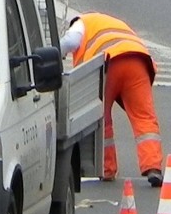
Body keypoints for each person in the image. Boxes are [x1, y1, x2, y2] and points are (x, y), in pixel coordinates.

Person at [60, 11, 164, 187]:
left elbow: (70, 41)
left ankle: (107, 168)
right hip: (138, 62)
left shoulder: (81, 23)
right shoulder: (111, 23)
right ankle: (153, 167)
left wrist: (57, 52)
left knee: (102, 119)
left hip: (109, 65)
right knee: (144, 118)